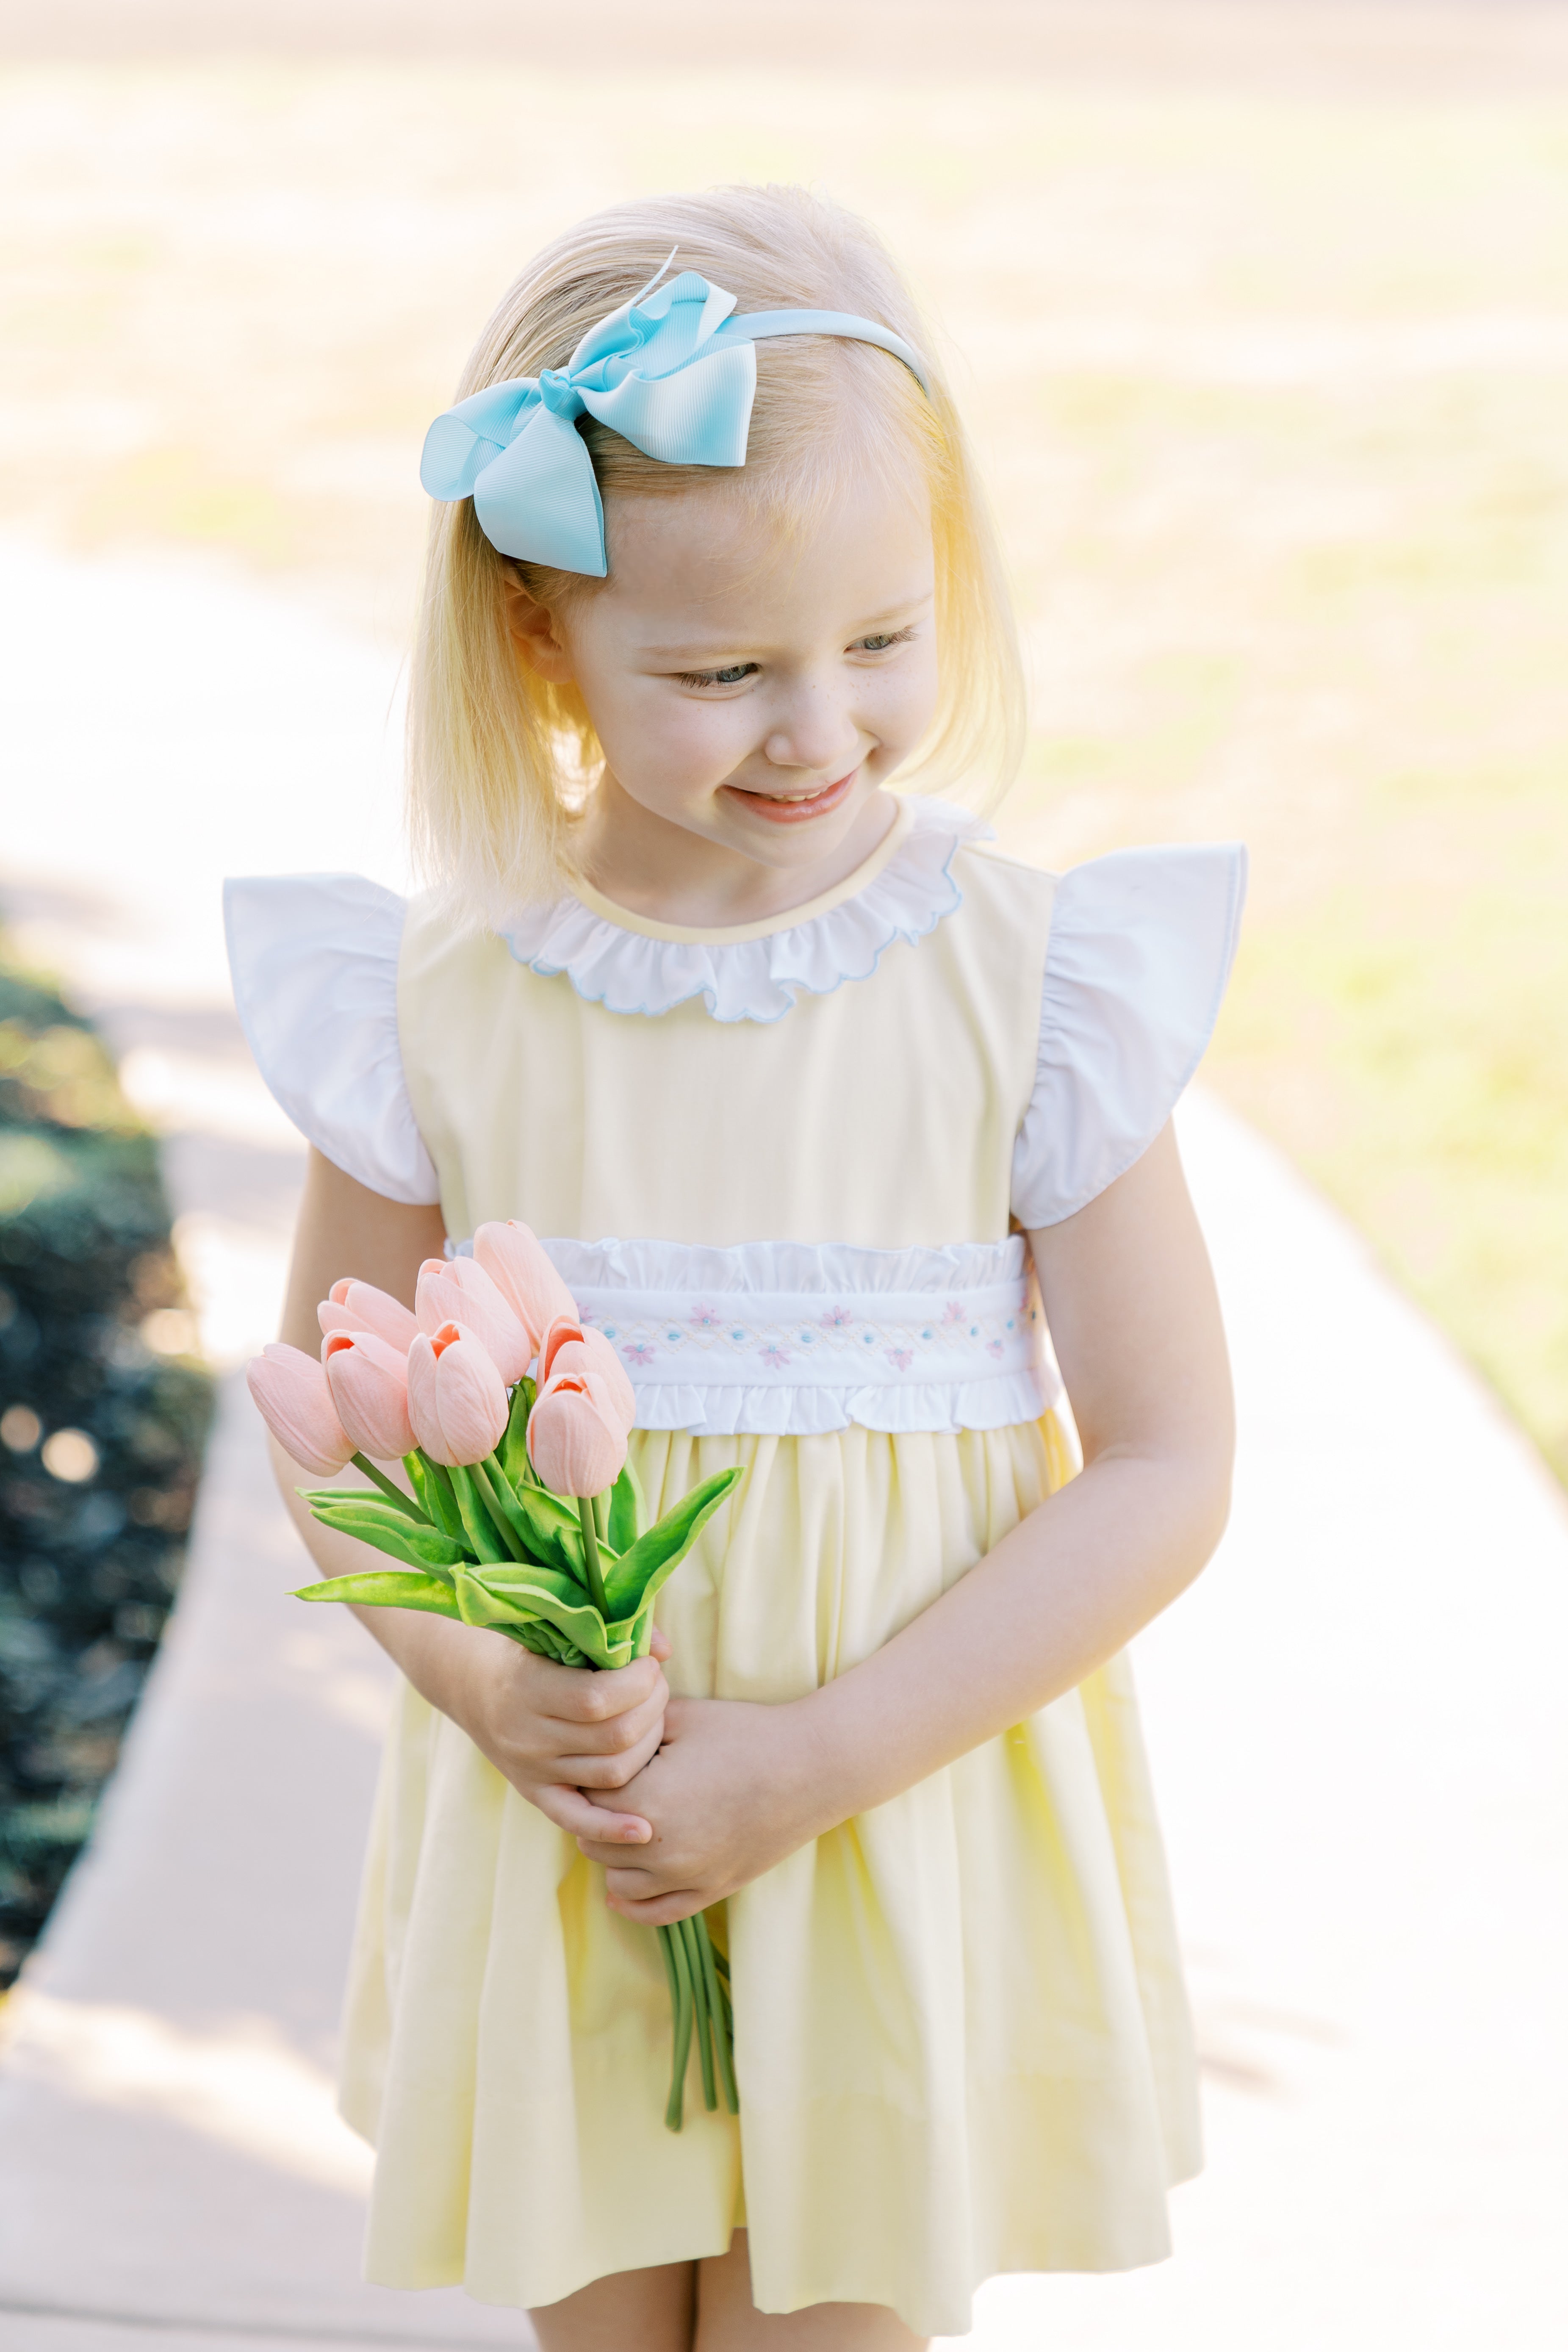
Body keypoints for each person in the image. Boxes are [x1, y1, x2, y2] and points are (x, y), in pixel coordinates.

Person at [226, 184, 1245, 2351]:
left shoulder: (1027, 982)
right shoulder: (433, 1002)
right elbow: (334, 1440)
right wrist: (497, 1693)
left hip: (894, 1812)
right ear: (539, 640)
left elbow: (1164, 1464)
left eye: (882, 641)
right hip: (577, 1828)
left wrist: (817, 1757)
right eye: (718, 671)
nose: (817, 731)